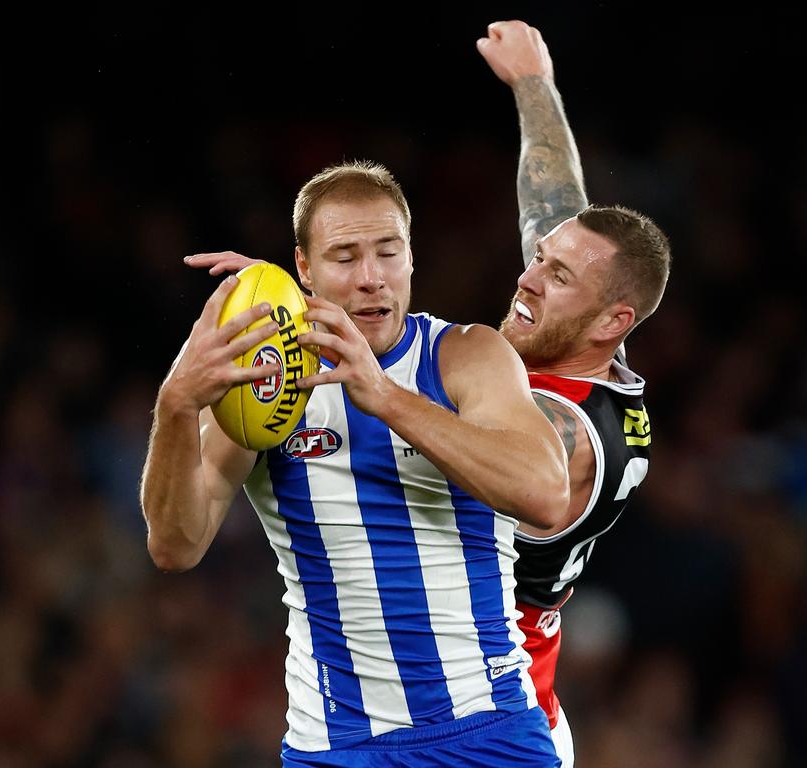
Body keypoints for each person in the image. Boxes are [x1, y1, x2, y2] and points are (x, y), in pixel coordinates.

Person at [141, 162, 572, 766]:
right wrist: (176, 404)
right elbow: (174, 545)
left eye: (388, 253)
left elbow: (547, 496)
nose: (372, 279)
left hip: (488, 731)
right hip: (336, 746)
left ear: (411, 258)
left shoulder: (465, 357)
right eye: (344, 257)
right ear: (305, 268)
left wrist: (387, 398)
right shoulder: (266, 385)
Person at [478, 20, 672, 767]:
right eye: (542, 262)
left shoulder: (560, 429)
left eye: (555, 275)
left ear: (612, 318)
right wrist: (534, 82)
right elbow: (553, 197)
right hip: (500, 693)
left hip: (500, 717)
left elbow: (419, 434)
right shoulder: (586, 337)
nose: (527, 276)